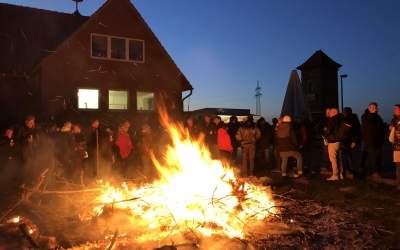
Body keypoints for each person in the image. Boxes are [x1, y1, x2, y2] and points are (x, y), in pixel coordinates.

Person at [361, 102, 385, 179]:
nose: (373, 108)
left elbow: (381, 130)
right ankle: (373, 173)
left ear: (377, 108)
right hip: (370, 141)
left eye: (374, 107)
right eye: (371, 107)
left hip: (378, 142)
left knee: (377, 158)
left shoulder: (378, 117)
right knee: (372, 158)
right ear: (368, 108)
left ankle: (376, 172)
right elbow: (368, 124)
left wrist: (382, 139)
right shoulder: (365, 116)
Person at [341, 107, 361, 178]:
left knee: (350, 157)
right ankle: (351, 171)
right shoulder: (352, 118)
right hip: (347, 141)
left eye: (344, 112)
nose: (343, 113)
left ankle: (352, 171)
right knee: (348, 156)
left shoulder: (351, 119)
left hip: (350, 141)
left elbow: (356, 131)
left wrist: (354, 141)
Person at [325, 108, 344, 181]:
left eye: (331, 112)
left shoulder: (333, 120)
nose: (329, 113)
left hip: (333, 141)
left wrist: (325, 132)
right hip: (339, 141)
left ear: (334, 112)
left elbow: (328, 130)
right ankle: (341, 174)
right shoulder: (340, 119)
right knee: (339, 158)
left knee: (333, 159)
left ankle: (335, 175)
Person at [389, 104, 400, 189]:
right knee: (398, 165)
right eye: (394, 109)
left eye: (396, 108)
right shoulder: (393, 119)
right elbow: (391, 129)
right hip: (396, 146)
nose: (394, 110)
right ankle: (398, 183)